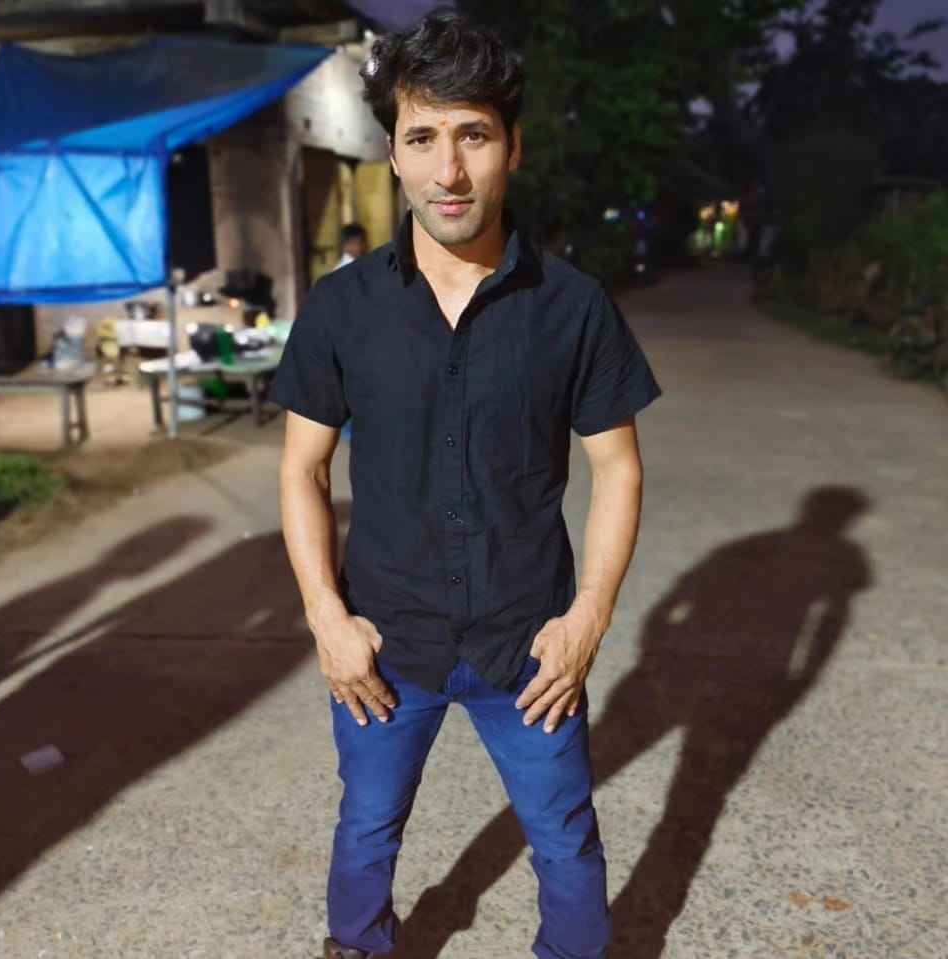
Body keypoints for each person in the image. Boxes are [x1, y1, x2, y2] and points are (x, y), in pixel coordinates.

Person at [268, 12, 662, 959]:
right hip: (384, 640)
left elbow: (617, 466)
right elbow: (302, 467)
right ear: (393, 154)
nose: (448, 171)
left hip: (528, 641)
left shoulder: (572, 307)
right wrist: (326, 617)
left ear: (512, 146)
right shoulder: (343, 307)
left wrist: (588, 619)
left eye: (473, 135)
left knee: (563, 836)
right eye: (422, 138)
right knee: (367, 825)